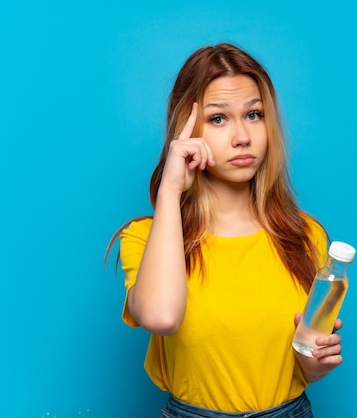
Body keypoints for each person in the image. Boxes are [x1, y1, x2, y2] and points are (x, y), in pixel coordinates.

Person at [106, 42, 344, 417]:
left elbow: (305, 368)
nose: (242, 137)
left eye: (254, 114)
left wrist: (317, 360)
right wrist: (170, 190)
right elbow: (160, 317)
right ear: (187, 128)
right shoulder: (144, 238)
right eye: (218, 119)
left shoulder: (305, 234)